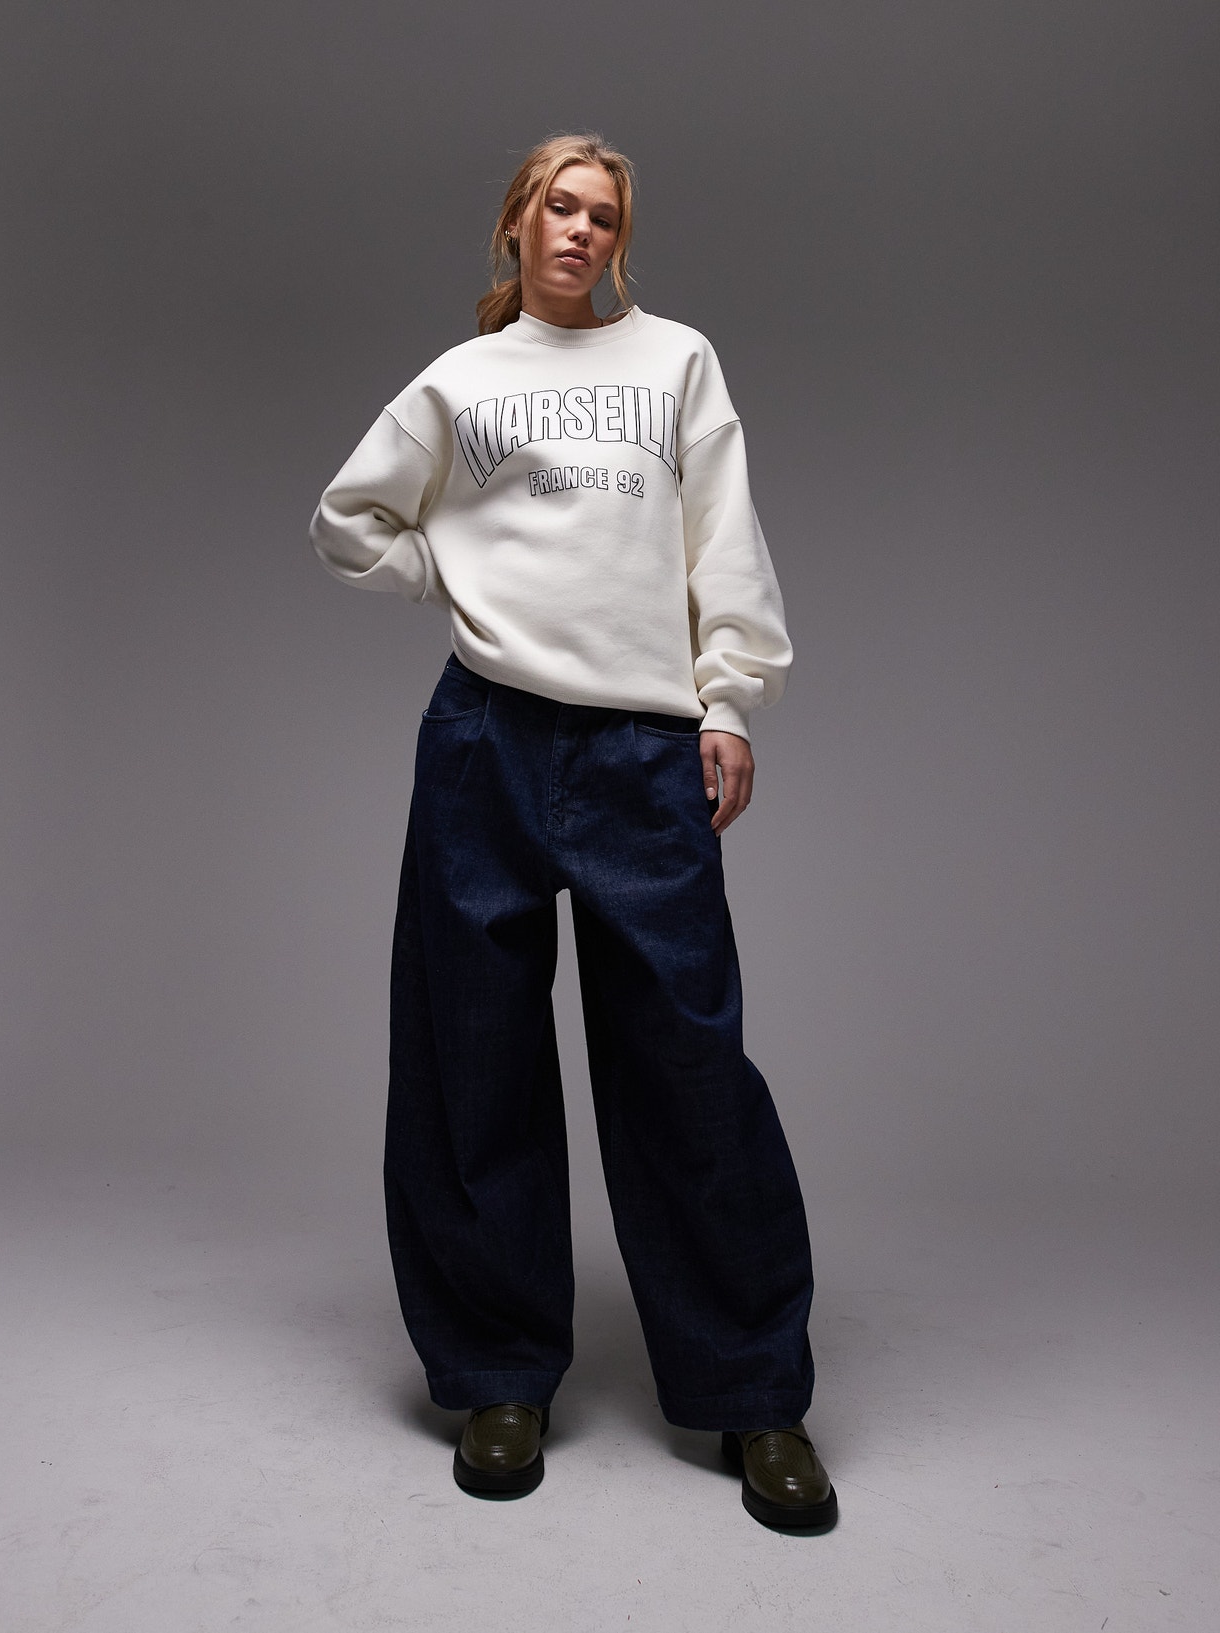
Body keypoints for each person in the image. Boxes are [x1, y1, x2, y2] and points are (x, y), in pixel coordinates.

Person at [309, 133, 835, 1531]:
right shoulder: (461, 380)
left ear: (620, 240)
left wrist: (730, 702)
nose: (580, 230)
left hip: (644, 748)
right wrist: (456, 583)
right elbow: (349, 519)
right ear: (517, 222)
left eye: (603, 215)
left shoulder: (677, 363)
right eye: (560, 206)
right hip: (485, 736)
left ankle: (753, 1387)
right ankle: (498, 1371)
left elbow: (724, 539)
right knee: (471, 1053)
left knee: (689, 1063)